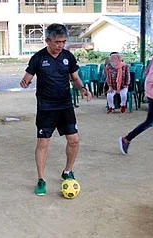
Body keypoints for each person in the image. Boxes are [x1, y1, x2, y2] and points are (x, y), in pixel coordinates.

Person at [20, 23, 91, 196]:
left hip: (65, 105)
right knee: (43, 143)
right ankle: (41, 179)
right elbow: (27, 78)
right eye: (57, 42)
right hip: (46, 108)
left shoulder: (68, 56)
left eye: (63, 42)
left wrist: (82, 89)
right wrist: (25, 82)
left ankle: (67, 171)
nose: (60, 45)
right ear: (48, 40)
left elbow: (75, 78)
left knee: (74, 140)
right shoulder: (38, 58)